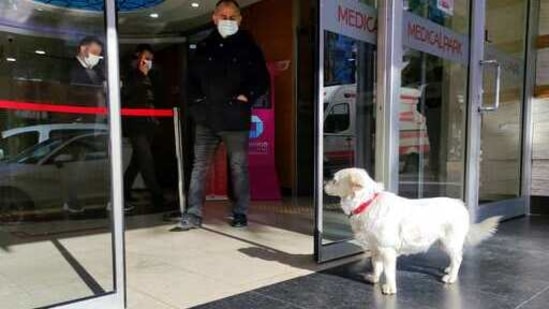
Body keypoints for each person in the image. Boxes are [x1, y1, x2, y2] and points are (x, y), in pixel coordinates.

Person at [173, 0, 269, 231]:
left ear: (239, 19)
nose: (227, 20)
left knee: (239, 167)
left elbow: (261, 79)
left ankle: (240, 212)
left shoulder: (249, 46)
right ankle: (193, 213)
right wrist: (197, 105)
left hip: (235, 118)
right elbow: (190, 82)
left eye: (232, 16)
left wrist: (247, 95)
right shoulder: (204, 46)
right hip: (206, 118)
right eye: (222, 16)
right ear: (214, 18)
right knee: (199, 167)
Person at [62, 36, 106, 213]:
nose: (96, 57)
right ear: (83, 49)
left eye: (99, 55)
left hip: (95, 123)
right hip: (77, 123)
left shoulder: (97, 71)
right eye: (94, 53)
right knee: (76, 163)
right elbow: (68, 94)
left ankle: (82, 196)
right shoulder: (69, 69)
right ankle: (71, 198)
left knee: (86, 162)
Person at [122, 44, 166, 210]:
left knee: (137, 161)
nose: (148, 62)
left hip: (150, 123)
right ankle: (157, 195)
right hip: (135, 124)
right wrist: (141, 75)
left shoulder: (152, 75)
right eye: (146, 58)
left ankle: (124, 191)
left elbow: (156, 95)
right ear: (138, 57)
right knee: (146, 159)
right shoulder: (130, 75)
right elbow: (127, 94)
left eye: (151, 59)